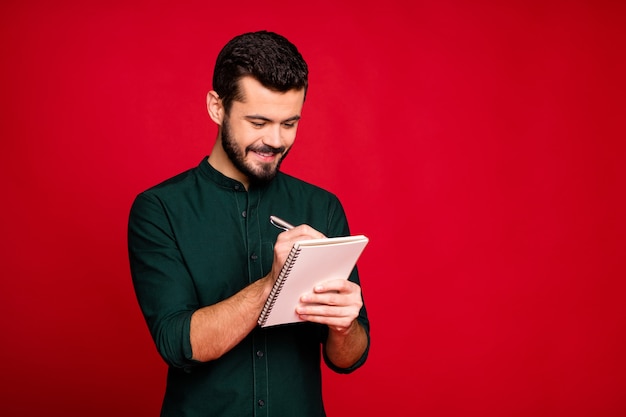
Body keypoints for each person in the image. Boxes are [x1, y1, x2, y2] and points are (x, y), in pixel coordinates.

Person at [128, 30, 370, 416]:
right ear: (216, 107)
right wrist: (276, 282)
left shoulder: (321, 206)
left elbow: (349, 358)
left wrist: (345, 326)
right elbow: (177, 344)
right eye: (258, 122)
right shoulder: (159, 209)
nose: (275, 140)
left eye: (289, 123)